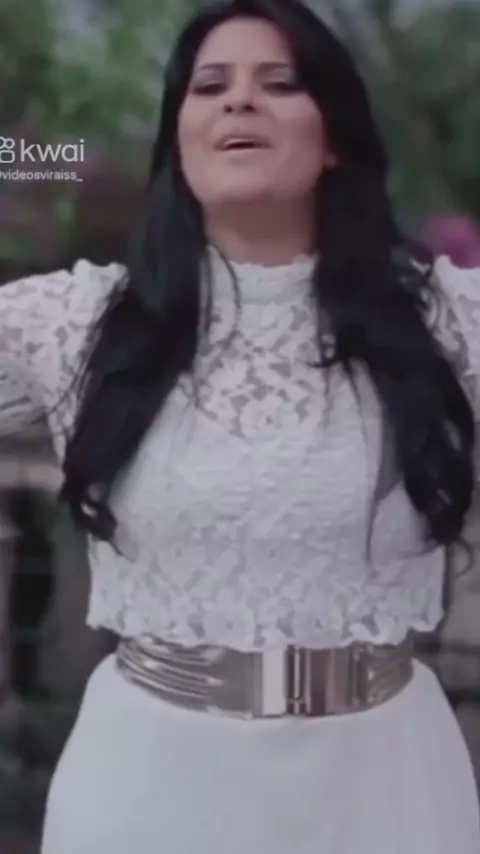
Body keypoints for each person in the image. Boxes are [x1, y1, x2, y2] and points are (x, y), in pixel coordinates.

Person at [1, 0, 480, 850]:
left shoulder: (441, 322)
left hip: (383, 785)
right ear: (180, 140)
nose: (239, 101)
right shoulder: (78, 325)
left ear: (334, 138)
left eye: (281, 82)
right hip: (149, 784)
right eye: (210, 85)